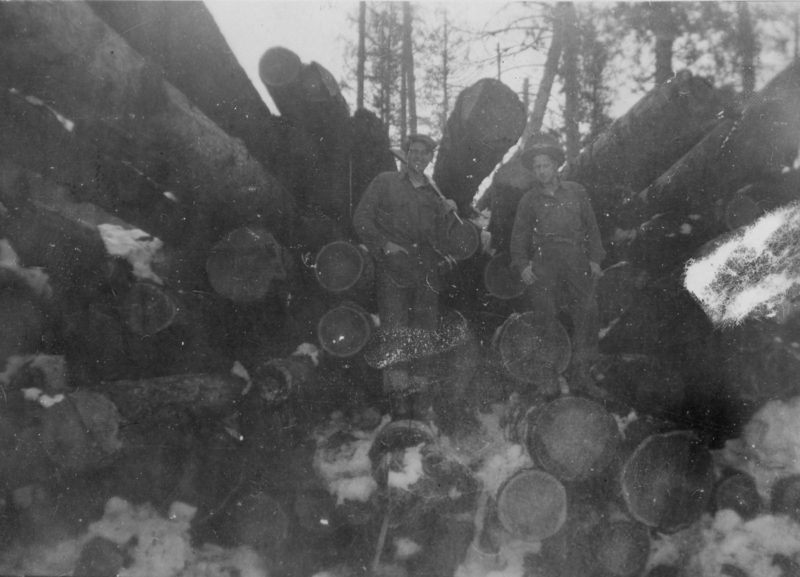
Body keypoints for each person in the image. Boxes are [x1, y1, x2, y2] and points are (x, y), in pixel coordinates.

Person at [353, 133, 457, 412]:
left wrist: (447, 213)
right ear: (406, 154)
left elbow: (442, 241)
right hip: (394, 268)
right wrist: (384, 245)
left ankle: (421, 401)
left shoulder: (434, 195)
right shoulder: (385, 182)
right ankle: (399, 401)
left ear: (430, 158)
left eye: (425, 153)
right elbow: (361, 218)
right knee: (395, 332)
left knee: (424, 333)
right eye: (414, 151)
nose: (418, 157)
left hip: (426, 270)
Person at [509, 133, 605, 392]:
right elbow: (518, 237)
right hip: (544, 259)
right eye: (536, 167)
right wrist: (522, 266)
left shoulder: (576, 191)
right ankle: (548, 377)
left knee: (588, 313)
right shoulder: (529, 200)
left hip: (575, 256)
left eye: (545, 165)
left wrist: (595, 259)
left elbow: (592, 228)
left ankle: (581, 376)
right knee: (545, 316)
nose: (541, 171)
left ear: (556, 166)